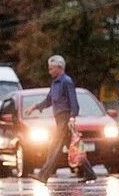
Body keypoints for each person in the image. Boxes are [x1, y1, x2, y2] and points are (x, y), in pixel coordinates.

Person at [23, 54, 97, 184]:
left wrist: (73, 117)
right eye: (49, 68)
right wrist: (33, 107)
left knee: (54, 147)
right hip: (59, 120)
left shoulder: (66, 82)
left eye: (52, 68)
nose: (49, 71)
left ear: (59, 67)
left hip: (65, 119)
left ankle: (43, 175)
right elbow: (48, 101)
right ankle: (90, 174)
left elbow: (73, 101)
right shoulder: (55, 83)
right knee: (75, 147)